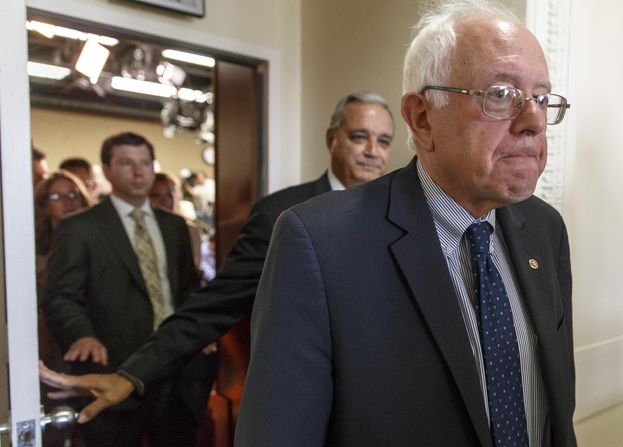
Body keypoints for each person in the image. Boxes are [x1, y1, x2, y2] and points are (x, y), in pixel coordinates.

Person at [232, 1, 585, 447]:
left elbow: (555, 429)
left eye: (541, 98)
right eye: (501, 95)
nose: (533, 121)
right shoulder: (318, 244)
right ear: (422, 117)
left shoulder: (544, 231)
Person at [39, 91, 395, 421]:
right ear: (333, 139)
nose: (372, 152)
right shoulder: (283, 216)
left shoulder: (400, 215)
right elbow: (213, 306)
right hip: (310, 408)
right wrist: (131, 374)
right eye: (359, 137)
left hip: (387, 401)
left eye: (384, 141)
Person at [42, 132, 205, 447]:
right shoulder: (81, 227)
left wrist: (201, 333)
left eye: (145, 163)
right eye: (127, 163)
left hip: (175, 373)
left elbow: (187, 288)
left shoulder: (175, 227)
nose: (138, 171)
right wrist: (81, 332)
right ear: (108, 170)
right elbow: (61, 295)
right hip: (112, 371)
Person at [33, 171, 93, 447]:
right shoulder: (32, 249)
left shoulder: (95, 241)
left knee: (89, 433)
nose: (67, 202)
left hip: (88, 348)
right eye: (56, 197)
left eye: (73, 194)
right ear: (43, 206)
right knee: (51, 440)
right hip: (49, 352)